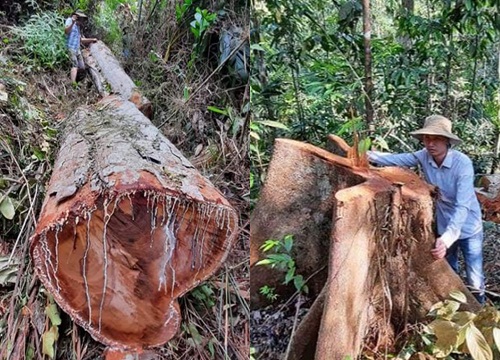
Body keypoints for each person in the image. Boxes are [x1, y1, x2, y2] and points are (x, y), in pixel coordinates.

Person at [367, 115, 485, 304]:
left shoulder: (462, 164)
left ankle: (480, 312)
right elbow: (397, 159)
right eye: (427, 138)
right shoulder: (423, 155)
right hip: (443, 224)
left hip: (469, 227)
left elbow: (462, 205)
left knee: (475, 278)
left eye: (436, 138)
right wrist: (367, 155)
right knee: (449, 274)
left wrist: (446, 239)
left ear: (447, 141)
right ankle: (452, 315)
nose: (430, 143)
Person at [64, 10, 97, 84]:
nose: (82, 20)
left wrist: (92, 39)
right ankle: (73, 85)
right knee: (74, 65)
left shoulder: (78, 27)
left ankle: (77, 82)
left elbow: (81, 40)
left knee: (82, 67)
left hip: (77, 49)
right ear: (77, 17)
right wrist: (72, 23)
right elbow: (66, 31)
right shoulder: (69, 21)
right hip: (70, 47)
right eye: (81, 18)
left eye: (83, 19)